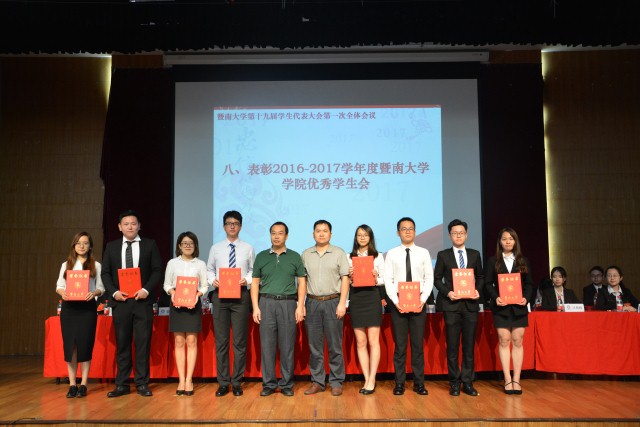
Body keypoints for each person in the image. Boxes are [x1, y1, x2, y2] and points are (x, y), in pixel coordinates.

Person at [101, 210, 163, 397]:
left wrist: (146, 290)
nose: (130, 227)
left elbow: (157, 270)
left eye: (133, 223)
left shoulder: (149, 245)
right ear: (119, 227)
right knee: (122, 344)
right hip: (121, 302)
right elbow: (105, 273)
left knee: (143, 344)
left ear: (139, 226)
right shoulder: (111, 246)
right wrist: (114, 292)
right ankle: (122, 384)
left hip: (142, 301)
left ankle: (142, 383)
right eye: (126, 224)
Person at [251, 222, 306, 397]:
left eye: (280, 233)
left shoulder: (294, 256)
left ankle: (286, 384)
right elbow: (255, 283)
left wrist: (300, 305)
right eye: (273, 233)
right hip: (266, 303)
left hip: (288, 303)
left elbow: (302, 282)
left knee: (287, 346)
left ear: (286, 236)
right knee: (267, 346)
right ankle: (268, 384)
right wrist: (255, 307)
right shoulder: (261, 256)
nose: (276, 236)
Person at [206, 211, 255, 397]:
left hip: (241, 296)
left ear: (240, 226)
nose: (232, 226)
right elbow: (209, 269)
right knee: (222, 341)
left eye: (235, 223)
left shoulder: (248, 248)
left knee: (240, 342)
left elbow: (253, 270)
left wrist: (246, 280)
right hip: (220, 297)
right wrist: (212, 280)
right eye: (229, 223)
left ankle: (237, 382)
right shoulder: (216, 248)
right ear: (224, 226)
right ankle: (223, 382)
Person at [383, 217, 434, 396]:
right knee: (400, 346)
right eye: (404, 229)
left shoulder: (424, 253)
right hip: (398, 306)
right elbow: (388, 279)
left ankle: (419, 383)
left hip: (419, 304)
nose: (407, 231)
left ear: (415, 231)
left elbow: (429, 277)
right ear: (398, 233)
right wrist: (396, 302)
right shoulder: (392, 254)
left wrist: (423, 299)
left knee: (417, 346)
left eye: (410, 228)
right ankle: (399, 384)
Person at [433, 219, 483, 397]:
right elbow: (437, 279)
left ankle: (467, 382)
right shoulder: (443, 255)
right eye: (455, 233)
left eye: (461, 233)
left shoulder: (475, 254)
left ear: (466, 235)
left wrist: (477, 290)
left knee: (468, 347)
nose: (458, 236)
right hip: (451, 306)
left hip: (470, 306)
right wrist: (448, 293)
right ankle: (454, 383)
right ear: (449, 235)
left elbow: (481, 277)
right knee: (452, 347)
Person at [301, 220, 350, 397]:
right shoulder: (306, 254)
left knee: (335, 346)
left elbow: (345, 279)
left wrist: (342, 303)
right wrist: (301, 304)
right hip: (312, 303)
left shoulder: (339, 253)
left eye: (325, 231)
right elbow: (302, 281)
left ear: (330, 234)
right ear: (313, 234)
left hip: (333, 302)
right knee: (315, 346)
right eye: (318, 231)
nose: (321, 234)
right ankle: (317, 381)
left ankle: (336, 382)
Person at [55, 231, 105, 398]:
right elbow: (59, 286)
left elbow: (101, 287)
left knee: (85, 344)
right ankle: (72, 384)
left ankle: (83, 384)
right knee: (71, 347)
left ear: (90, 246)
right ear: (74, 246)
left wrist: (94, 293)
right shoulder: (66, 265)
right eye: (78, 243)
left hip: (87, 309)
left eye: (85, 243)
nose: (82, 246)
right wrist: (62, 293)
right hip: (69, 309)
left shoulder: (96, 265)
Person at [484, 227, 533, 395]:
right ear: (500, 241)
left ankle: (516, 379)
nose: (507, 241)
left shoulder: (523, 260)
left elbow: (529, 284)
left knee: (518, 340)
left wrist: (526, 298)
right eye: (504, 238)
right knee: (504, 340)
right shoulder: (493, 261)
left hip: (519, 306)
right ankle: (507, 379)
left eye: (511, 238)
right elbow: (487, 283)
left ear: (515, 241)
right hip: (501, 307)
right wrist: (495, 297)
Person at [163, 231, 208, 396]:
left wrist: (197, 295)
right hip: (177, 303)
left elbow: (205, 285)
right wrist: (172, 292)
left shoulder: (200, 264)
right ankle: (181, 379)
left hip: (193, 304)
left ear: (195, 246)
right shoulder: (172, 263)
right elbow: (167, 284)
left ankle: (189, 379)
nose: (188, 246)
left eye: (191, 243)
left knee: (192, 341)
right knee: (179, 341)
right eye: (185, 243)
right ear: (179, 246)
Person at [347, 224, 385, 395]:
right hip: (356, 298)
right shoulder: (349, 257)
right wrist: (350, 276)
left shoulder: (378, 256)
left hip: (372, 297)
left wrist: (377, 277)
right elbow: (346, 281)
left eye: (365, 235)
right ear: (355, 238)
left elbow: (384, 279)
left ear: (370, 237)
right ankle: (366, 377)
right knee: (360, 342)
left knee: (373, 341)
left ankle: (372, 379)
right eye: (359, 235)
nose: (362, 237)